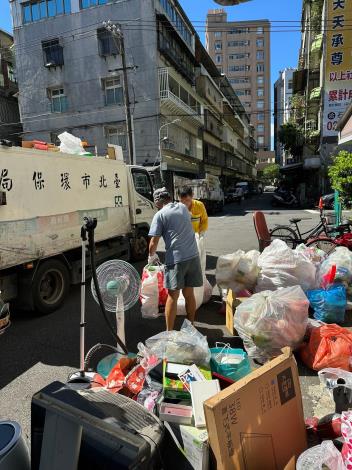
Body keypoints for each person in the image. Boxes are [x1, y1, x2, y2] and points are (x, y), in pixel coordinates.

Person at [148, 187, 203, 330]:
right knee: (188, 292)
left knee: (173, 296)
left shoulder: (160, 215)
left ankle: (169, 332)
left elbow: (154, 242)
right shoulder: (183, 208)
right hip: (193, 256)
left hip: (177, 260)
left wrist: (151, 256)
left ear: (158, 202)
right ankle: (191, 326)